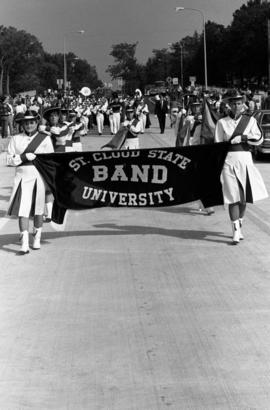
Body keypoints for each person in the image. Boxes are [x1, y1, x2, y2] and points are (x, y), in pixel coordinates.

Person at [214, 91, 268, 244]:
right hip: (228, 162)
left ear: (242, 104)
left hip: (244, 160)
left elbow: (259, 138)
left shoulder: (249, 121)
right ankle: (235, 231)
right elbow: (218, 144)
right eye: (233, 103)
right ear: (228, 105)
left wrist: (244, 137)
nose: (236, 106)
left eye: (239, 103)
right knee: (233, 197)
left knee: (243, 199)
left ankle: (240, 224)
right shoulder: (222, 122)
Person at [6, 110, 54, 254]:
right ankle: (25, 243)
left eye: (32, 122)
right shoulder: (15, 139)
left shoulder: (44, 139)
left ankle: (37, 238)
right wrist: (23, 157)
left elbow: (50, 161)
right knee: (23, 211)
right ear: (22, 124)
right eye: (26, 123)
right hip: (22, 178)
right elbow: (9, 159)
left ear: (36, 123)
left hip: (39, 177)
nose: (29, 125)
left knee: (39, 211)